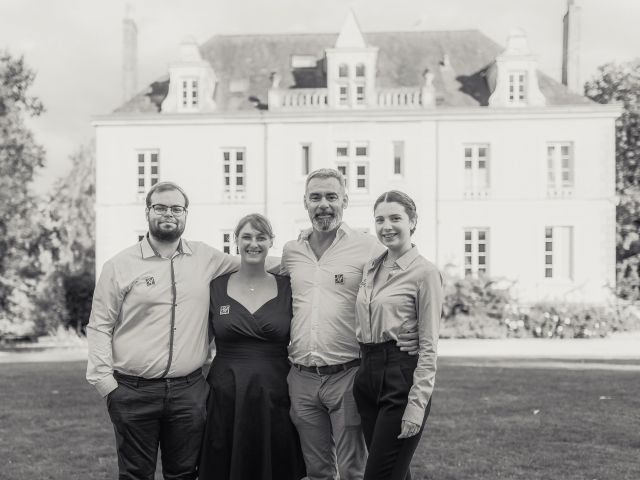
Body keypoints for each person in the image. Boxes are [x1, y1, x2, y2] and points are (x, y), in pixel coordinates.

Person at [86, 181, 243, 480]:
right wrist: (106, 385)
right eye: (160, 207)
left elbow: (253, 264)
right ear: (148, 212)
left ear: (185, 214)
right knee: (135, 475)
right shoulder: (119, 265)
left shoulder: (206, 257)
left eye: (176, 208)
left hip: (189, 392)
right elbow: (99, 326)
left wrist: (305, 255)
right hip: (133, 392)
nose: (169, 213)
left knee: (184, 474)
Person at [282, 169, 419, 480]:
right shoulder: (292, 251)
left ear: (345, 200)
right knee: (317, 471)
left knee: (353, 470)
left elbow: (410, 280)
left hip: (348, 375)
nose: (324, 204)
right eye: (315, 197)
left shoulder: (369, 247)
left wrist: (417, 329)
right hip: (301, 378)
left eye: (331, 196)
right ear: (305, 202)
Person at [199, 214, 306, 480]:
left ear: (271, 242)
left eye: (260, 237)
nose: (253, 243)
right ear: (236, 242)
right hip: (226, 392)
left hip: (276, 391)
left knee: (275, 463)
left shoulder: (290, 286)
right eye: (246, 237)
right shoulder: (215, 287)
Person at [353, 190, 443, 480]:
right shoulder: (371, 267)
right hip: (367, 376)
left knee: (379, 474)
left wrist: (416, 406)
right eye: (380, 219)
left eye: (395, 218)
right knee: (395, 472)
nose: (386, 226)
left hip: (400, 380)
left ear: (413, 221)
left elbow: (429, 346)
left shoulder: (425, 273)